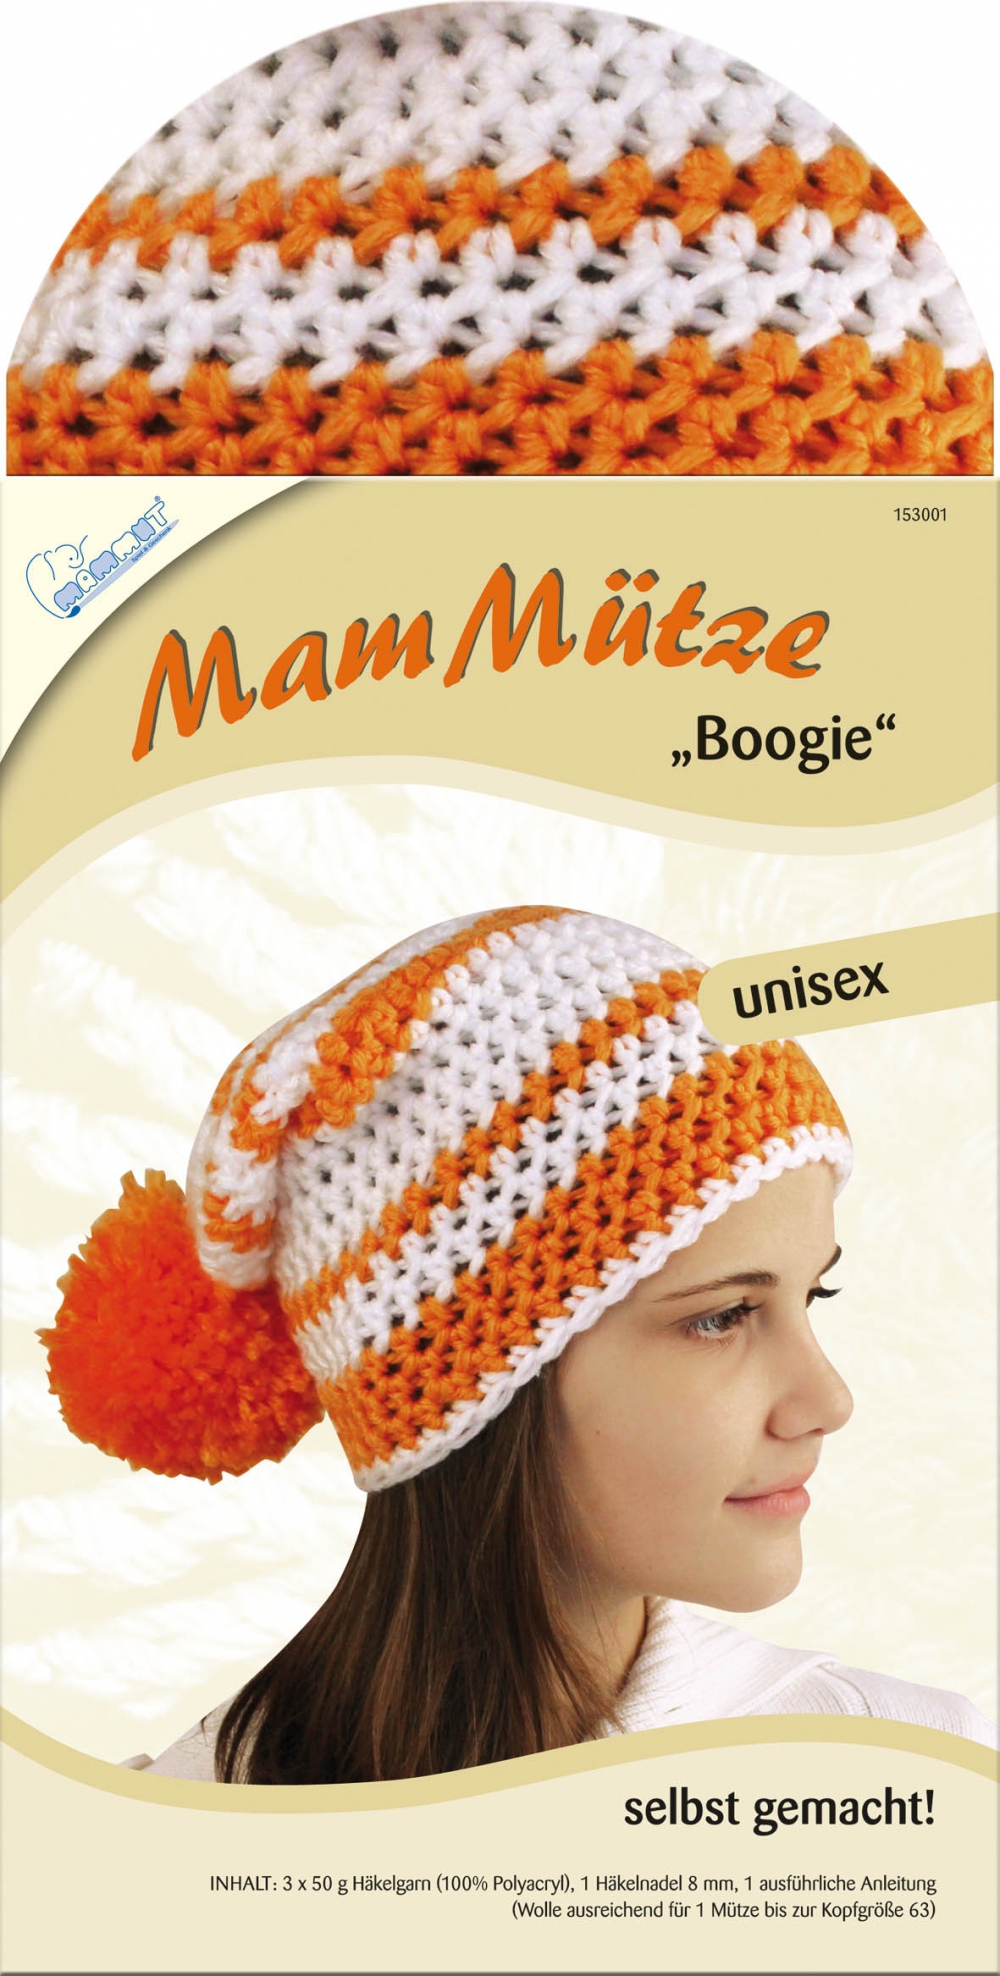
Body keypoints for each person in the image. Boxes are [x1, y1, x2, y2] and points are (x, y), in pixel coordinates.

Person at [43, 906, 996, 1781]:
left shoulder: (913, 1774)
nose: (828, 1401)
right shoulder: (160, 1837)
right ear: (473, 1392)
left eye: (814, 1293)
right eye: (722, 1316)